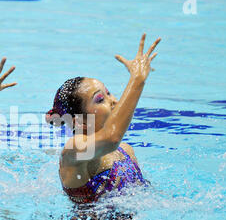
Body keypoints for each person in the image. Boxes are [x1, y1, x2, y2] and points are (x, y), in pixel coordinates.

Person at [46, 34, 160, 207]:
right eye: (100, 99)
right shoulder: (74, 150)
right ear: (80, 122)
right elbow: (111, 138)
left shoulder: (125, 151)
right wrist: (137, 79)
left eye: (108, 92)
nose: (114, 100)